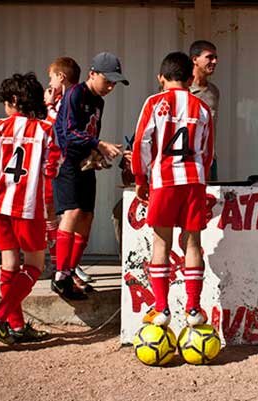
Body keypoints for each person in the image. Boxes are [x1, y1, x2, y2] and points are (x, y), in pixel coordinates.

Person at [0, 72, 61, 344]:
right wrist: (50, 212)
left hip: (0, 206)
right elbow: (51, 170)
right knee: (34, 266)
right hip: (29, 208)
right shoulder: (44, 131)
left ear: (12, 100)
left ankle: (16, 327)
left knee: (9, 265)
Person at [131, 51, 214, 327]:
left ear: (161, 77)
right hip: (194, 181)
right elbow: (207, 151)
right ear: (191, 78)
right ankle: (193, 309)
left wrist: (140, 178)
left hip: (164, 181)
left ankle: (162, 308)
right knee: (193, 244)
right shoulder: (201, 108)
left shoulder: (155, 102)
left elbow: (141, 143)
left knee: (161, 242)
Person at [52, 52, 127, 300]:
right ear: (92, 74)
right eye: (107, 80)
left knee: (86, 217)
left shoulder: (99, 102)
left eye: (114, 83)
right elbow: (69, 131)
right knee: (72, 213)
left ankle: (71, 270)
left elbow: (91, 133)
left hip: (85, 164)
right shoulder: (75, 94)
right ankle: (60, 274)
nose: (110, 87)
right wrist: (99, 143)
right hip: (68, 162)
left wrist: (99, 153)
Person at [40, 56, 80, 280]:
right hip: (58, 166)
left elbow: (56, 126)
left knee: (63, 214)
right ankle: (59, 262)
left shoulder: (68, 101)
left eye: (51, 77)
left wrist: (48, 106)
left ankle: (63, 264)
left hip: (60, 166)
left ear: (61, 77)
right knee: (56, 216)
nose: (50, 82)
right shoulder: (66, 100)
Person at [189, 40, 219, 181]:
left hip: (209, 159)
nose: (214, 61)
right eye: (209, 57)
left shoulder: (213, 91)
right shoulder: (183, 88)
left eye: (215, 58)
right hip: (187, 161)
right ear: (195, 59)